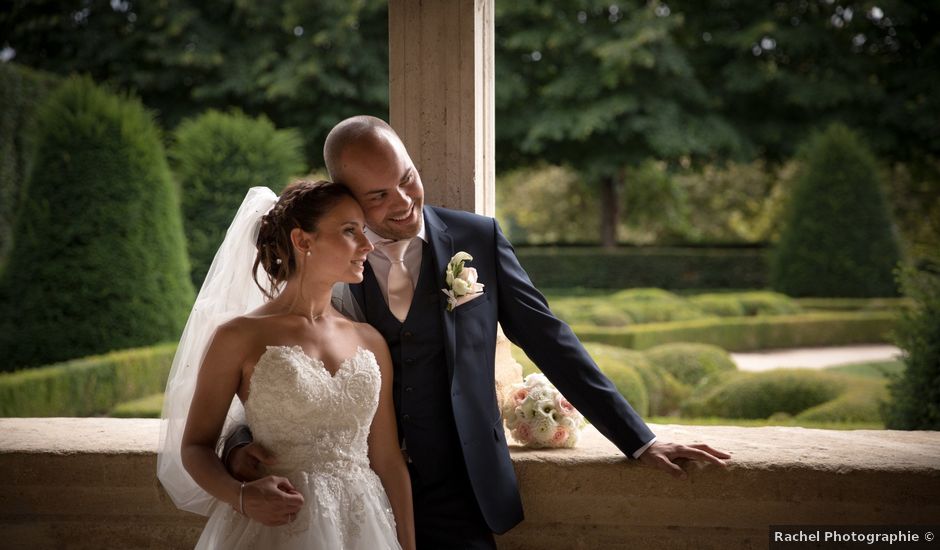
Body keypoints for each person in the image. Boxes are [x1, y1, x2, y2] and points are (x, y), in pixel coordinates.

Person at [225, 117, 731, 548]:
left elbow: (550, 339)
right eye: (378, 195)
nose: (404, 202)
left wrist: (640, 441)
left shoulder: (477, 238)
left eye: (408, 178)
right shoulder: (326, 259)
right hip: (357, 493)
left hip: (463, 486)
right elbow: (270, 366)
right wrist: (240, 444)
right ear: (346, 198)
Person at [157, 181, 416, 550]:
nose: (367, 245)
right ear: (303, 240)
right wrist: (242, 496)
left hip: (366, 528)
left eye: (363, 230)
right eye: (349, 231)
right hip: (275, 529)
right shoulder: (238, 336)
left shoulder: (369, 340)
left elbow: (388, 460)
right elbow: (195, 447)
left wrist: (408, 546)